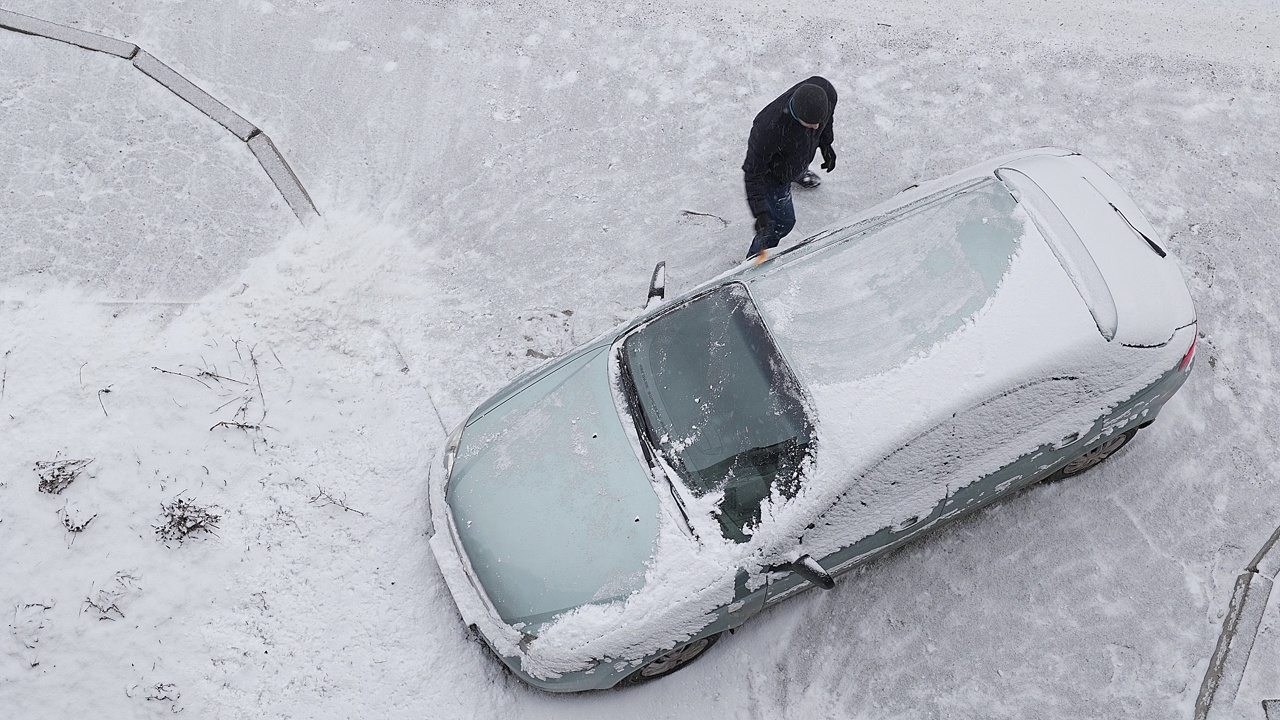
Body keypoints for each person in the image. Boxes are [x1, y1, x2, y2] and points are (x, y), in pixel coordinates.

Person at [742, 76, 838, 261]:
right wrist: (760, 211)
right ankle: (754, 258)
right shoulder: (767, 130)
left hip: (796, 154)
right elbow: (753, 172)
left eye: (819, 121)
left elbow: (827, 121)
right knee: (781, 223)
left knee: (798, 158)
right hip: (774, 175)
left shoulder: (826, 92)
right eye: (811, 124)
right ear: (798, 114)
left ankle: (797, 172)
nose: (817, 126)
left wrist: (826, 145)